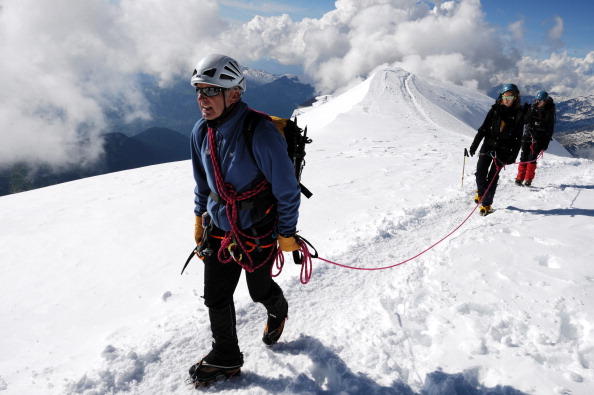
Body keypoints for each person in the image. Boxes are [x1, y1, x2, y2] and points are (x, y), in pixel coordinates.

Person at [187, 54, 301, 385]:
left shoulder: (261, 133)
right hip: (220, 228)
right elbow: (203, 184)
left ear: (234, 94)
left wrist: (287, 233)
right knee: (216, 296)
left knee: (258, 289)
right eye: (199, 91)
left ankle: (277, 309)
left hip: (257, 230)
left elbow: (286, 190)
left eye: (210, 91)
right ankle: (226, 357)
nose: (202, 100)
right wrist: (199, 218)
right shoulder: (199, 132)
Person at [469, 84, 526, 215]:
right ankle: (482, 193)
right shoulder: (494, 110)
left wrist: (513, 156)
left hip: (503, 151)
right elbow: (483, 129)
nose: (507, 99)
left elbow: (518, 137)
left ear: (515, 98)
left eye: (510, 96)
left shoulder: (518, 114)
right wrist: (474, 145)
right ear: (501, 96)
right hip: (488, 146)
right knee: (480, 174)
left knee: (492, 178)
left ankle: (486, 204)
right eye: (505, 96)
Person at [515, 90, 556, 186]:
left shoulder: (549, 112)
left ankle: (528, 179)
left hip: (539, 138)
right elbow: (525, 121)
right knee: (524, 156)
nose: (538, 102)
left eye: (541, 101)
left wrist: (546, 143)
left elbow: (550, 128)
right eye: (537, 100)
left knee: (532, 157)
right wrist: (530, 112)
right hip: (528, 134)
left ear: (545, 101)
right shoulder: (532, 108)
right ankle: (520, 178)